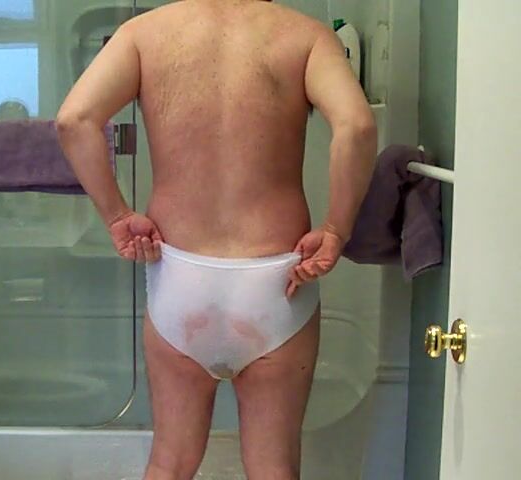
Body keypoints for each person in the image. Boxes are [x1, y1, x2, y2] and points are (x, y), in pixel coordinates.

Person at [56, 0, 377, 478]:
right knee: (274, 469)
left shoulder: (144, 33)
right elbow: (358, 127)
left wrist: (118, 215)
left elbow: (74, 119)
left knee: (169, 464)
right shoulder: (306, 36)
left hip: (180, 278)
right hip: (277, 284)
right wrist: (335, 230)